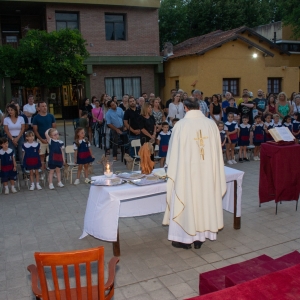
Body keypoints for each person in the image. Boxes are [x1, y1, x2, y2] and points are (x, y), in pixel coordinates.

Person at [162, 98, 226, 250]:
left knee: (187, 200)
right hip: (207, 174)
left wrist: (169, 166)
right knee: (204, 200)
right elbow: (217, 152)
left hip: (187, 174)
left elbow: (172, 153)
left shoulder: (181, 125)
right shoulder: (211, 124)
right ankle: (200, 239)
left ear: (185, 108)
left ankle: (184, 239)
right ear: (199, 107)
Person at [32, 101, 56, 174]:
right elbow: (35, 131)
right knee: (41, 156)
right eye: (42, 106)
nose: (44, 107)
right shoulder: (35, 118)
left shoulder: (51, 116)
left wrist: (50, 138)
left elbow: (54, 128)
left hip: (51, 140)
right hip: (41, 139)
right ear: (38, 108)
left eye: (45, 106)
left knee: (52, 156)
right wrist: (41, 139)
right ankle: (43, 172)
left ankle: (53, 172)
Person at [3, 104, 25, 170]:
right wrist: (12, 139)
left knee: (21, 155)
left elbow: (23, 128)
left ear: (15, 110)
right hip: (10, 138)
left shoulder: (21, 118)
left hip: (20, 137)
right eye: (9, 110)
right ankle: (14, 171)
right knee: (13, 155)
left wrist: (17, 138)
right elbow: (6, 130)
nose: (10, 111)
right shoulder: (6, 119)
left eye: (11, 110)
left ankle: (24, 170)